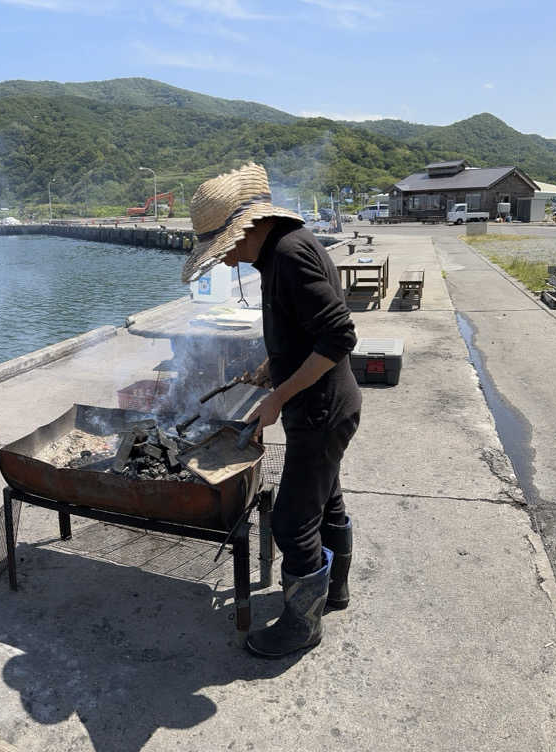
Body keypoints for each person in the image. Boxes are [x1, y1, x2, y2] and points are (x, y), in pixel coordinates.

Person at [182, 163, 361, 658]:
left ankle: (301, 627)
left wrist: (278, 397)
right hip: (326, 406)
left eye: (224, 248)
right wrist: (271, 366)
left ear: (246, 227)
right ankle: (335, 592)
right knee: (327, 501)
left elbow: (339, 337)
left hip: (321, 411)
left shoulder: (288, 254)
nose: (224, 261)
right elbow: (306, 331)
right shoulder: (285, 247)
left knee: (291, 522)